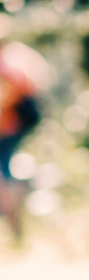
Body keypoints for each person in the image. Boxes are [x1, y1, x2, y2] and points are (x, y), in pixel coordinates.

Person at [0, 41, 48, 251]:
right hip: (21, 118)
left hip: (15, 121)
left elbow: (10, 96)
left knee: (3, 169)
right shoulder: (15, 54)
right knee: (5, 168)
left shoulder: (7, 64)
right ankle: (13, 214)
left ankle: (11, 211)